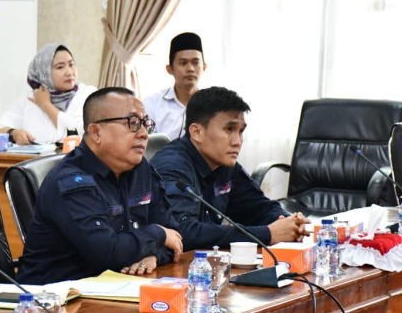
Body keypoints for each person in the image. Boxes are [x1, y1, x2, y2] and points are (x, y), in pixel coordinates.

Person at [17, 87, 183, 285]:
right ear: (96, 132)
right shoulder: (71, 181)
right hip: (55, 301)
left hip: (114, 290)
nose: (144, 134)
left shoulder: (141, 169)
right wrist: (157, 235)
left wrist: (153, 255)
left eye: (146, 123)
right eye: (132, 123)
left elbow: (174, 236)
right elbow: (107, 252)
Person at [151, 86, 310, 251]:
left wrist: (287, 221)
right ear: (196, 132)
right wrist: (268, 234)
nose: (237, 141)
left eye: (240, 131)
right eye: (229, 129)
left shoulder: (223, 163)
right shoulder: (172, 167)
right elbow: (184, 232)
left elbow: (257, 207)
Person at [0, 43, 97, 145]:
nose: (69, 72)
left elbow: (78, 132)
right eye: (60, 67)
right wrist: (13, 133)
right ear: (44, 72)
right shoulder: (30, 98)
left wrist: (45, 105)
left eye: (71, 64)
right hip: (34, 162)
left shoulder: (88, 94)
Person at [142, 32, 207, 140]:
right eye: (183, 63)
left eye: (195, 62)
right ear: (169, 69)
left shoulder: (214, 106)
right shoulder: (151, 104)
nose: (190, 68)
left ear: (204, 67)